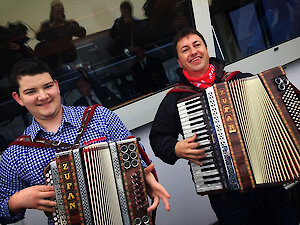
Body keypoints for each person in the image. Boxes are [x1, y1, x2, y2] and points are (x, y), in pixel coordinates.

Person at [149, 27, 298, 225]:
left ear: (206, 50)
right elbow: (158, 138)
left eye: (197, 45)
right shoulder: (176, 98)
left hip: (270, 185)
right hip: (227, 199)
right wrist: (176, 148)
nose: (193, 51)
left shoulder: (240, 79)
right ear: (179, 61)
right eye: (185, 49)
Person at [0, 58, 170, 224]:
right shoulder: (16, 154)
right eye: (31, 91)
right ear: (18, 98)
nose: (43, 96)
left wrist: (145, 180)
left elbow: (137, 161)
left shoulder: (101, 116)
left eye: (48, 86)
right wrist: (15, 201)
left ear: (57, 86)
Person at [35, 0, 86, 64]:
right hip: (54, 59)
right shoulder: (46, 25)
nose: (59, 14)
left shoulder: (69, 24)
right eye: (57, 12)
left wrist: (72, 24)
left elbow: (82, 33)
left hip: (70, 56)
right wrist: (51, 27)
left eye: (61, 11)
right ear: (52, 12)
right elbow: (39, 37)